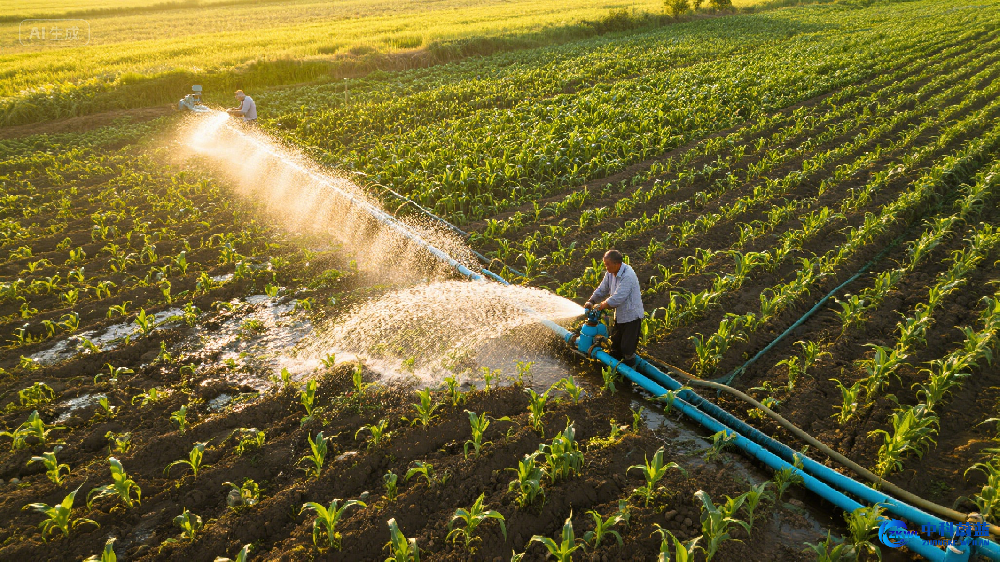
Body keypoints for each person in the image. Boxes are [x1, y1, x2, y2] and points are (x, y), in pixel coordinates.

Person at [585, 249, 644, 366]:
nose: (606, 267)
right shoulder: (610, 273)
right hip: (621, 316)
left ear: (617, 264)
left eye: (607, 264)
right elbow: (602, 289)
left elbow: (618, 297)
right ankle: (615, 372)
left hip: (632, 317)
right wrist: (591, 301)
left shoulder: (628, 275)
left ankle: (629, 376)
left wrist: (602, 305)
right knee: (615, 346)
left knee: (627, 349)